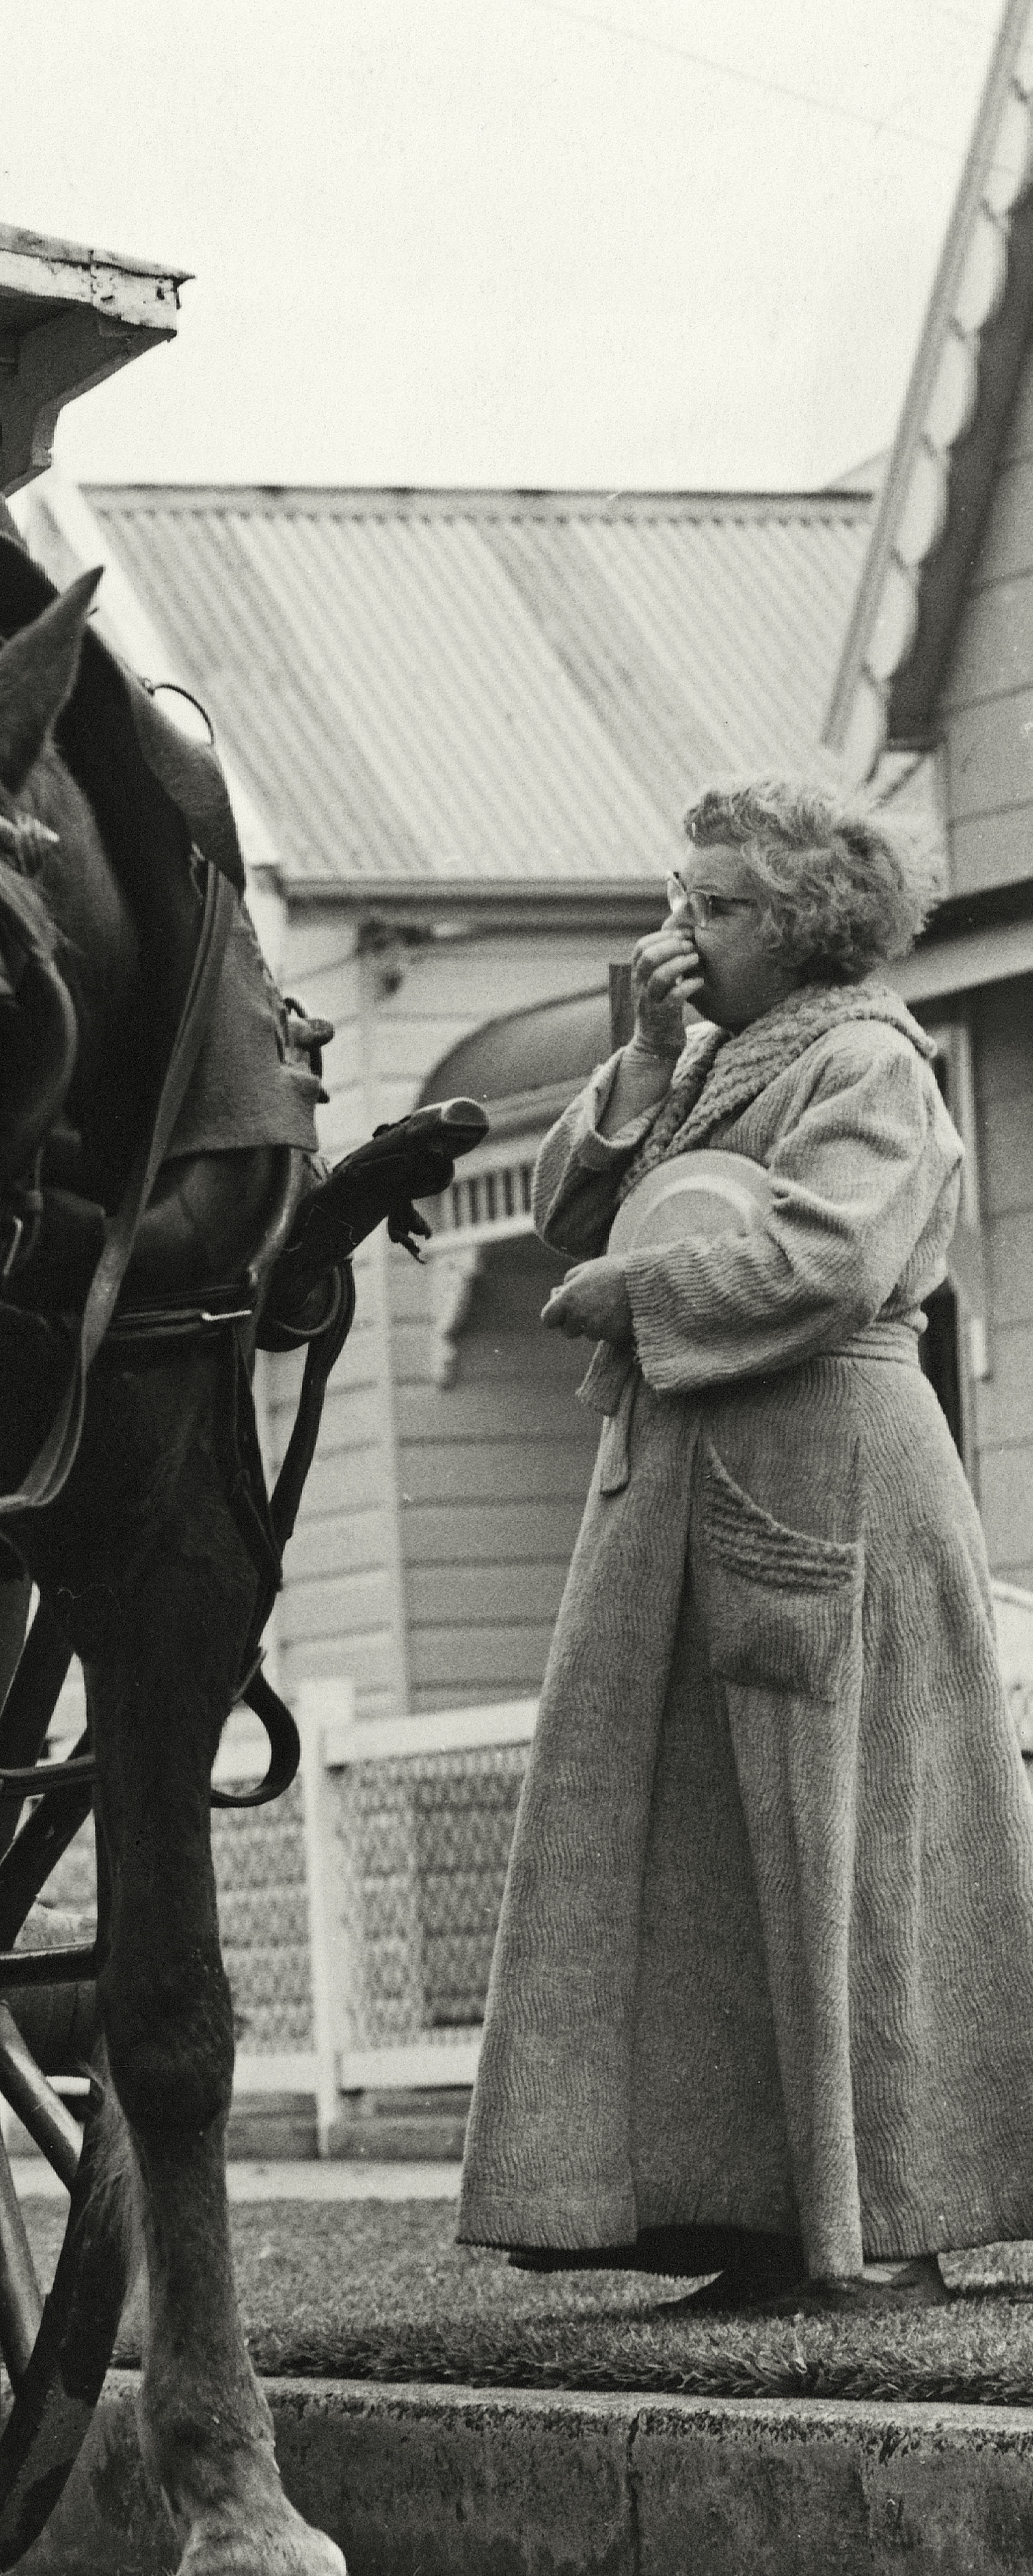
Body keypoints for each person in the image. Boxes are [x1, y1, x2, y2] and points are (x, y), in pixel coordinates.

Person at [457, 776, 1033, 2316]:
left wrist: (640, 1305)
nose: (679, 933)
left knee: (840, 1843)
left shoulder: (867, 1059)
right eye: (679, 898)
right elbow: (578, 1219)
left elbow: (831, 1257)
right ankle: (767, 2217)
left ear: (804, 924)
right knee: (714, 1858)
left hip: (822, 1482)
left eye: (713, 908)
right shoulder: (710, 1060)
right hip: (702, 1485)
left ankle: (880, 2227)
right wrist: (638, 1068)